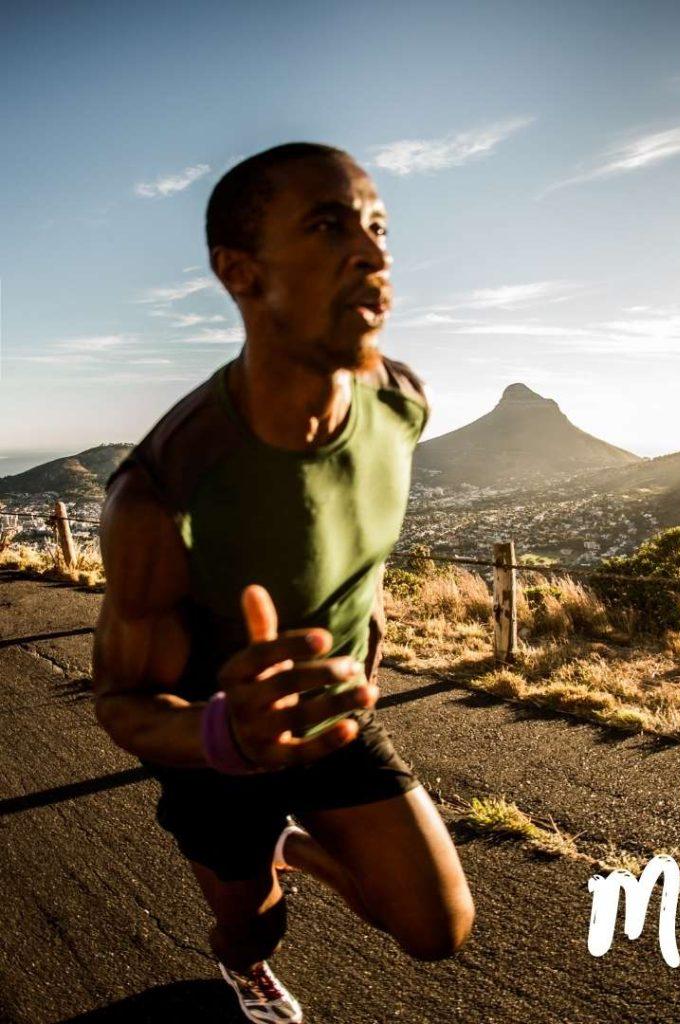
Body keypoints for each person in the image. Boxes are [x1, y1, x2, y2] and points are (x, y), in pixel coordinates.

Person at [91, 142, 475, 1023]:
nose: (374, 254)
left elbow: (350, 538)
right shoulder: (161, 493)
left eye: (378, 226)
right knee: (252, 932)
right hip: (217, 749)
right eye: (328, 225)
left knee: (437, 928)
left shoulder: (402, 404)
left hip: (336, 717)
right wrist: (230, 734)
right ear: (241, 273)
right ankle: (242, 960)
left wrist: (367, 627)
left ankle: (297, 847)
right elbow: (120, 702)